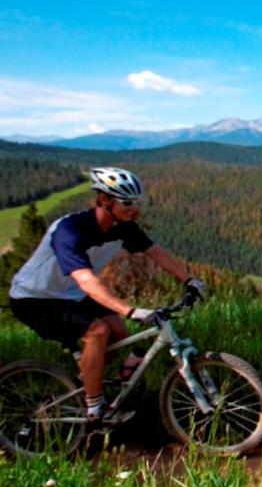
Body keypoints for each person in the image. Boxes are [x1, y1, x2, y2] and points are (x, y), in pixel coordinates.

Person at [9, 167, 206, 423]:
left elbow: (155, 252)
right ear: (104, 200)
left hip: (71, 294)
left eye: (136, 202)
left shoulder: (123, 226)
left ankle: (88, 383)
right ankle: (94, 409)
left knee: (119, 333)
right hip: (34, 299)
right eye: (127, 203)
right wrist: (131, 310)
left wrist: (190, 280)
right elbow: (87, 280)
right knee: (98, 332)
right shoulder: (70, 230)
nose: (134, 209)